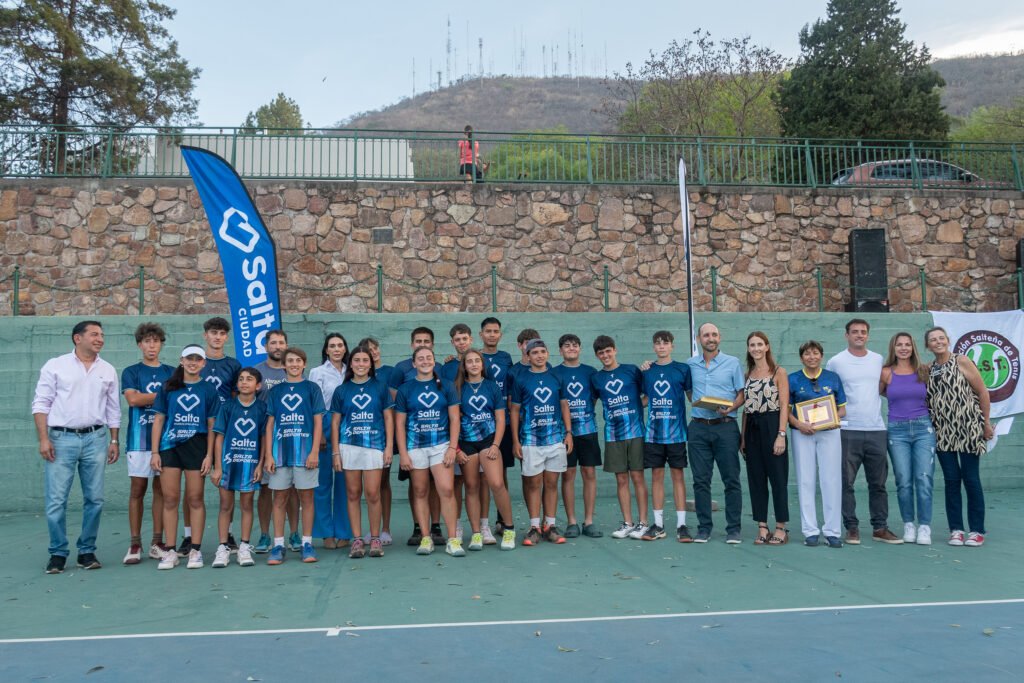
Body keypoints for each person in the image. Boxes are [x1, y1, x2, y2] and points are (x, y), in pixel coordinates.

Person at [33, 320, 121, 574]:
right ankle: (58, 553)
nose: (100, 339)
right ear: (77, 338)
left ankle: (87, 551)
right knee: (56, 500)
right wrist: (44, 438)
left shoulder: (107, 369)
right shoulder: (55, 366)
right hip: (61, 439)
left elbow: (113, 409)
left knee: (95, 498)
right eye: (94, 334)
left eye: (102, 335)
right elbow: (41, 404)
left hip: (96, 439)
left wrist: (114, 440)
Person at [826, 319, 901, 544]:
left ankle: (880, 528)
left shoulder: (878, 360)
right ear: (846, 335)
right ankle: (851, 528)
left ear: (868, 335)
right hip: (848, 430)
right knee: (845, 483)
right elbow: (830, 395)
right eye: (855, 332)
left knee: (878, 483)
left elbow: (885, 388)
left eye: (863, 332)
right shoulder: (836, 362)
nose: (859, 335)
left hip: (877, 429)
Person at [150, 345, 220, 569]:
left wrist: (210, 455)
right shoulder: (168, 387)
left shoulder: (209, 390)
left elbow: (211, 425)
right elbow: (159, 420)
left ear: (203, 363)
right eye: (189, 358)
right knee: (170, 499)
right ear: (181, 360)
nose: (193, 362)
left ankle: (195, 551)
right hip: (169, 447)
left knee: (195, 498)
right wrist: (154, 452)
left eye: (197, 359)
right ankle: (170, 551)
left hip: (197, 447)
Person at [924, 327, 994, 547]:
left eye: (941, 338)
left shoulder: (962, 361)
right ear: (928, 345)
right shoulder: (928, 369)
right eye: (933, 340)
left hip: (969, 429)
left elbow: (982, 392)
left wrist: (986, 422)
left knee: (971, 479)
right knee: (951, 481)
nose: (938, 342)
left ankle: (976, 530)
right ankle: (956, 529)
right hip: (943, 432)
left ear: (948, 340)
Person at [394, 347, 463, 556]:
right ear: (414, 363)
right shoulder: (406, 389)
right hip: (415, 448)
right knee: (420, 491)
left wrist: (453, 447)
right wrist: (403, 454)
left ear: (434, 362)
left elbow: (454, 419)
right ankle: (426, 538)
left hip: (441, 446)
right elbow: (399, 425)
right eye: (420, 359)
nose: (425, 361)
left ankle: (453, 540)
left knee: (446, 490)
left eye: (429, 358)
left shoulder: (447, 386)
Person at [263, 347, 324, 565]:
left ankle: (307, 543)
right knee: (279, 498)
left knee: (306, 498)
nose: (294, 364)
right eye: (290, 361)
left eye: (298, 360)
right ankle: (278, 545)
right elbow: (269, 424)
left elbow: (318, 421)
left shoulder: (312, 388)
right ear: (284, 365)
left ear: (304, 364)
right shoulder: (276, 392)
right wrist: (269, 455)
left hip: (305, 454)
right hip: (280, 455)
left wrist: (315, 450)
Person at [331, 345, 394, 559]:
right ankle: (357, 540)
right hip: (348, 446)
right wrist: (335, 452)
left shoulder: (380, 387)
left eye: (364, 360)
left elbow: (388, 418)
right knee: (352, 493)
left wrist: (388, 447)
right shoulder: (342, 390)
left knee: (373, 493)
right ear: (351, 364)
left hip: (374, 446)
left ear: (371, 363)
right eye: (356, 360)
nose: (360, 364)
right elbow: (335, 421)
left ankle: (375, 538)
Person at [685, 323, 745, 544]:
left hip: (725, 427)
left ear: (719, 337)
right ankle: (704, 528)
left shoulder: (733, 363)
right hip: (699, 428)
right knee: (701, 480)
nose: (710, 338)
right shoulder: (690, 364)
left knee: (731, 479)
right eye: (706, 335)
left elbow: (741, 393)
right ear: (699, 339)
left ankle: (734, 529)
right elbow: (687, 388)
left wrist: (731, 407)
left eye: (714, 335)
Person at [120, 322, 174, 564]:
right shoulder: (131, 371)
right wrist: (163, 395)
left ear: (161, 343)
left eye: (156, 341)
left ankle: (157, 542)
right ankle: (134, 544)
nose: (152, 345)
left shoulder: (172, 372)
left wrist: (150, 398)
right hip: (138, 440)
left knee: (162, 491)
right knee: (137, 490)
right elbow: (133, 399)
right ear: (140, 344)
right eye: (147, 341)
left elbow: (177, 401)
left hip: (166, 441)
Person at [511, 339, 573, 546]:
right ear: (528, 356)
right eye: (534, 352)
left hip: (555, 439)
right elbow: (515, 411)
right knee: (534, 483)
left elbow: (564, 406)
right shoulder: (521, 379)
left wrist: (568, 432)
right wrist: (515, 440)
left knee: (551, 483)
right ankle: (534, 527)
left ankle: (551, 525)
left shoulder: (557, 376)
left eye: (542, 351)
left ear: (548, 354)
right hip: (530, 440)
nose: (539, 355)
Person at [388, 327, 444, 547]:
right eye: (418, 340)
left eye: (427, 341)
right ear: (412, 344)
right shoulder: (400, 369)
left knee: (437, 483)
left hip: (438, 439)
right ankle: (419, 526)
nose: (423, 343)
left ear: (433, 345)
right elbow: (396, 403)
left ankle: (437, 525)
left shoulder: (440, 368)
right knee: (417, 484)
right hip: (413, 440)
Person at [455, 348, 516, 550]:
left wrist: (496, 445)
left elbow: (500, 418)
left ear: (482, 365)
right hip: (466, 443)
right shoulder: (457, 388)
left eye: (477, 361)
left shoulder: (491, 387)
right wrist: (456, 449)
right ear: (464, 366)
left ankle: (509, 529)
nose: (473, 364)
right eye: (469, 361)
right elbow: (452, 420)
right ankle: (476, 533)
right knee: (471, 487)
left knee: (497, 483)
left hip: (489, 441)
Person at [789, 341, 847, 548]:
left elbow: (842, 410)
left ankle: (832, 531)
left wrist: (830, 420)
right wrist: (798, 424)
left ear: (821, 356)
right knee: (806, 479)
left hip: (829, 433)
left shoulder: (832, 378)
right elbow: (786, 410)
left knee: (831, 479)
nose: (811, 357)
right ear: (801, 357)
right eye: (807, 354)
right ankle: (810, 531)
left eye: (815, 353)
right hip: (801, 433)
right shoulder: (793, 379)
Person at [591, 335, 649, 540]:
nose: (605, 355)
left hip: (636, 433)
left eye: (608, 351)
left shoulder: (631, 370)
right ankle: (628, 523)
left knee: (637, 478)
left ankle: (643, 523)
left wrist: (637, 406)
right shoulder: (597, 378)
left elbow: (648, 393)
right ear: (597, 356)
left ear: (614, 350)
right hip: (613, 435)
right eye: (601, 353)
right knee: (621, 479)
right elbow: (590, 401)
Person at [880, 332, 935, 545]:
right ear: (893, 348)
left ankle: (924, 526)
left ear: (913, 348)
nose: (904, 348)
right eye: (899, 345)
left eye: (907, 345)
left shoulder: (924, 370)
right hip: (897, 430)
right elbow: (881, 394)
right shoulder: (886, 373)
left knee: (923, 478)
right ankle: (908, 524)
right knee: (903, 480)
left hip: (923, 430)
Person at [210, 367, 268, 568]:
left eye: (249, 379)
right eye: (241, 379)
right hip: (228, 463)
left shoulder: (262, 408)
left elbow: (263, 439)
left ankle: (244, 547)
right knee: (225, 505)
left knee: (246, 505)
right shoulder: (227, 407)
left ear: (258, 385)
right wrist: (217, 466)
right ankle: (223, 547)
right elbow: (219, 437)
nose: (244, 382)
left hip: (250, 465)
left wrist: (260, 464)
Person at [641, 331, 693, 542]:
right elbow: (644, 400)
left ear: (672, 346)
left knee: (678, 476)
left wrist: (715, 404)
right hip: (653, 435)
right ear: (654, 347)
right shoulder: (646, 371)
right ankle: (658, 524)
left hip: (677, 434)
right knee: (656, 477)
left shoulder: (683, 369)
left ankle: (682, 525)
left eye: (666, 343)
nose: (662, 346)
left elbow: (692, 398)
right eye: (658, 343)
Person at [741, 332, 791, 546]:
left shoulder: (779, 372)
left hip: (772, 426)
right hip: (752, 428)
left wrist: (781, 434)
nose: (756, 348)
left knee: (778, 479)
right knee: (756, 480)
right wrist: (743, 438)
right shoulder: (747, 374)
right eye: (752, 345)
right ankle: (762, 525)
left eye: (760, 344)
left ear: (767, 346)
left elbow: (784, 406)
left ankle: (780, 527)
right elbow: (745, 408)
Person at [198, 316, 242, 554]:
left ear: (227, 337)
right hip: (196, 429)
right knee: (195, 487)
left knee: (227, 486)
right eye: (213, 332)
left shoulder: (233, 365)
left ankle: (230, 534)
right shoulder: (195, 361)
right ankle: (188, 537)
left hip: (225, 432)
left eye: (222, 333)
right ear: (206, 335)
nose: (217, 337)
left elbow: (237, 397)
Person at [253, 329, 299, 553]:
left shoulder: (294, 372)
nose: (278, 346)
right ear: (266, 346)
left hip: (290, 438)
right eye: (273, 343)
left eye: (282, 342)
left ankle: (294, 534)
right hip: (261, 438)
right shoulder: (257, 372)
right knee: (265, 489)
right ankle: (264, 534)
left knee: (290, 488)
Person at [552, 334, 603, 539]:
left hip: (588, 431)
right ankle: (572, 521)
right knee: (568, 475)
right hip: (564, 435)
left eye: (575, 345)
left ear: (580, 349)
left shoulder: (590, 372)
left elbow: (596, 397)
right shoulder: (554, 373)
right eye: (567, 345)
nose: (571, 348)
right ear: (560, 350)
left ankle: (588, 521)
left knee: (589, 474)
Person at [309, 333, 353, 550]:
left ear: (345, 349)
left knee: (346, 483)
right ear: (326, 350)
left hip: (348, 425)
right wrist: (321, 435)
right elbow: (314, 403)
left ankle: (345, 532)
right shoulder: (317, 372)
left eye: (340, 345)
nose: (336, 349)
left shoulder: (352, 370)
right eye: (332, 346)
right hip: (324, 423)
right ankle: (326, 533)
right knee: (322, 483)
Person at [479, 317, 515, 541]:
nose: (492, 334)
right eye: (488, 331)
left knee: (501, 474)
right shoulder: (474, 358)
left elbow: (510, 389)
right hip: (482, 425)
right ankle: (482, 524)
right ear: (481, 334)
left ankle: (503, 519)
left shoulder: (506, 358)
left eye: (496, 331)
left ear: (500, 335)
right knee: (484, 477)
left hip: (505, 423)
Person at [359, 336, 395, 545]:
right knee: (367, 488)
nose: (372, 352)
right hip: (363, 437)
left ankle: (385, 529)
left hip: (383, 436)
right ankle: (371, 530)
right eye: (367, 350)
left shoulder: (390, 372)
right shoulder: (358, 375)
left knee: (383, 482)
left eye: (374, 348)